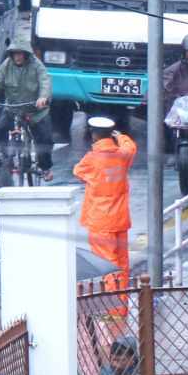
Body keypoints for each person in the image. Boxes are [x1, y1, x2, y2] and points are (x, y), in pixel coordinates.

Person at [73, 116, 137, 290]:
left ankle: (111, 311)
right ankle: (119, 312)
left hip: (100, 221)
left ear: (94, 135)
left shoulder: (92, 159)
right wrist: (121, 136)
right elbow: (130, 147)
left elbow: (78, 171)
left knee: (107, 265)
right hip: (120, 219)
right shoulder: (123, 155)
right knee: (122, 264)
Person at [0, 39, 56, 179]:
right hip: (13, 109)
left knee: (45, 140)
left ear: (26, 54)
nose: (17, 57)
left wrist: (43, 98)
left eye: (20, 54)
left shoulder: (37, 66)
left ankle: (45, 168)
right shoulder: (6, 66)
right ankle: (6, 155)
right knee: (0, 129)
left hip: (36, 111)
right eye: (14, 54)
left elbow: (45, 82)